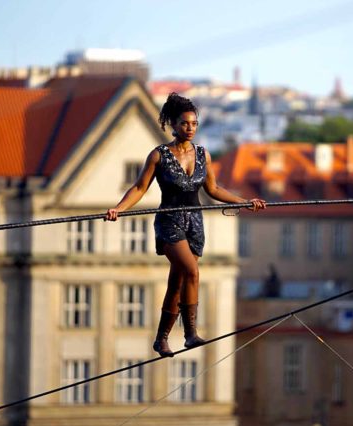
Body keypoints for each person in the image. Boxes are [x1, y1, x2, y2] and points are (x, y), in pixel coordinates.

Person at [105, 93, 266, 357]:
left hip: (195, 225)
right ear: (173, 125)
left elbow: (213, 189)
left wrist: (244, 201)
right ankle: (190, 333)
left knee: (177, 283)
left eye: (194, 124)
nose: (190, 128)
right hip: (169, 222)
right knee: (191, 272)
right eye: (184, 124)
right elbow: (139, 187)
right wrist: (119, 210)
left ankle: (161, 339)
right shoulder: (159, 155)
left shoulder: (203, 154)